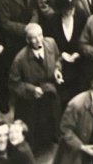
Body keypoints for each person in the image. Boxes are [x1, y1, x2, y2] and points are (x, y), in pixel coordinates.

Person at [8, 23, 63, 153]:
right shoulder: (20, 59)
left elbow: (58, 58)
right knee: (34, 127)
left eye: (40, 35)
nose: (39, 40)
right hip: (31, 100)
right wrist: (32, 89)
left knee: (53, 119)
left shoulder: (51, 43)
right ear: (27, 40)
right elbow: (13, 84)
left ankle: (51, 139)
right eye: (34, 37)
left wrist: (57, 70)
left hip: (49, 94)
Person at [54, 73, 93, 164]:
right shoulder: (76, 104)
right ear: (92, 83)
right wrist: (82, 147)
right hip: (77, 150)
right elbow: (65, 129)